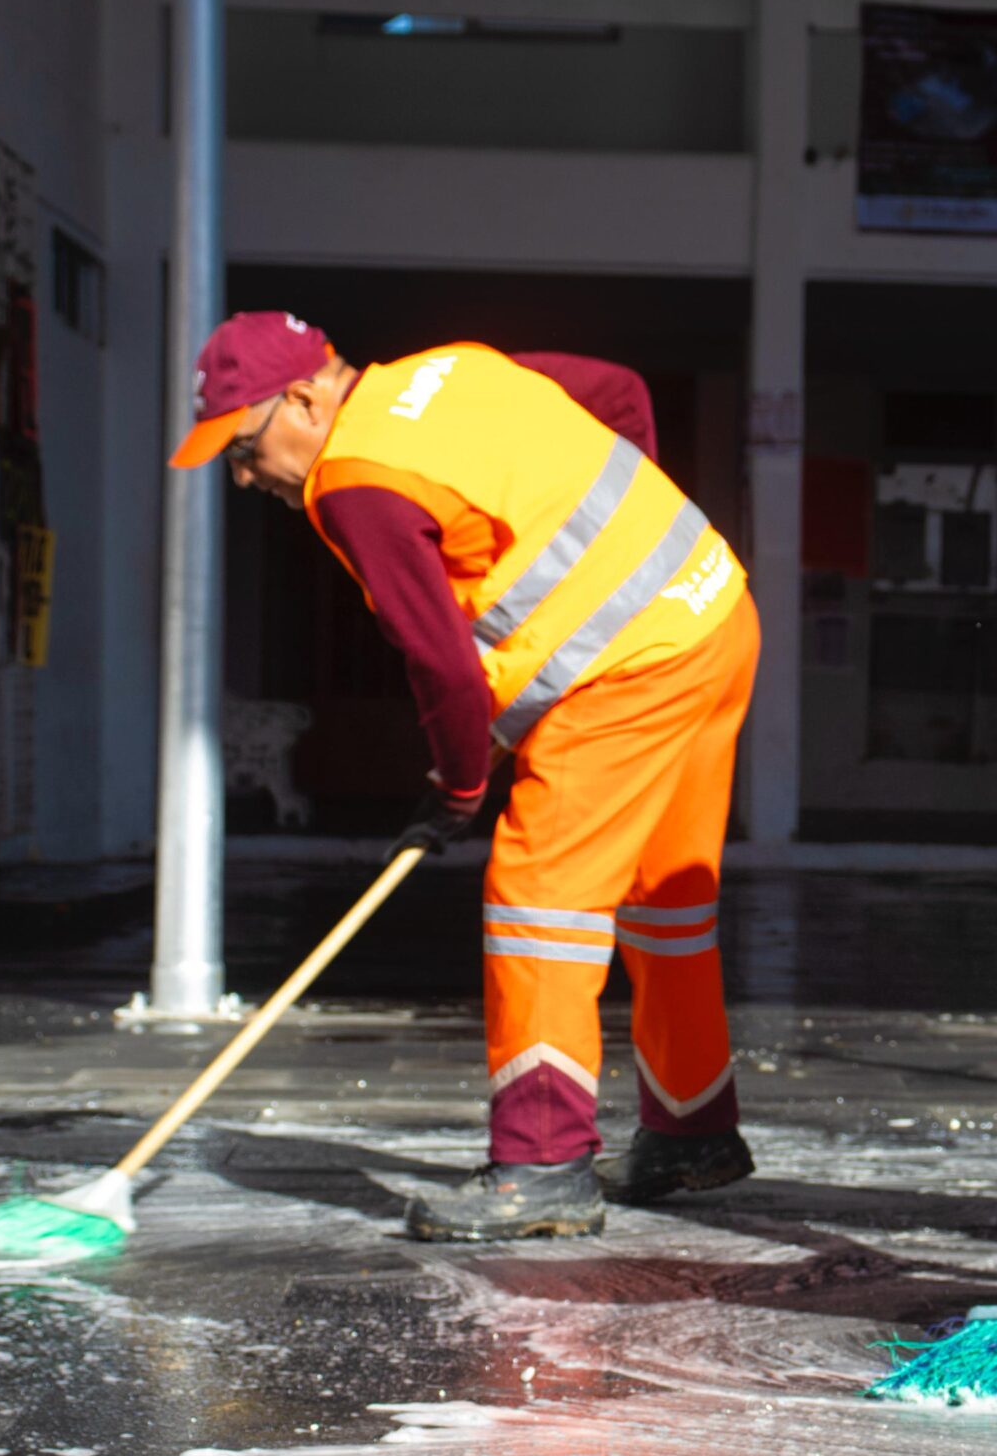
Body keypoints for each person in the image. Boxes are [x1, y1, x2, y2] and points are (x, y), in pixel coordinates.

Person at [169, 313, 761, 1240]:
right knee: (660, 901)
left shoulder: (353, 483)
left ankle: (540, 1164)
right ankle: (691, 1131)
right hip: (713, 611)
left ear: (303, 398)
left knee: (539, 895)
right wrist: (639, 529)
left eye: (245, 449)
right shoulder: (452, 370)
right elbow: (620, 392)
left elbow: (440, 666)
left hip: (631, 672)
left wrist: (455, 789)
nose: (247, 478)